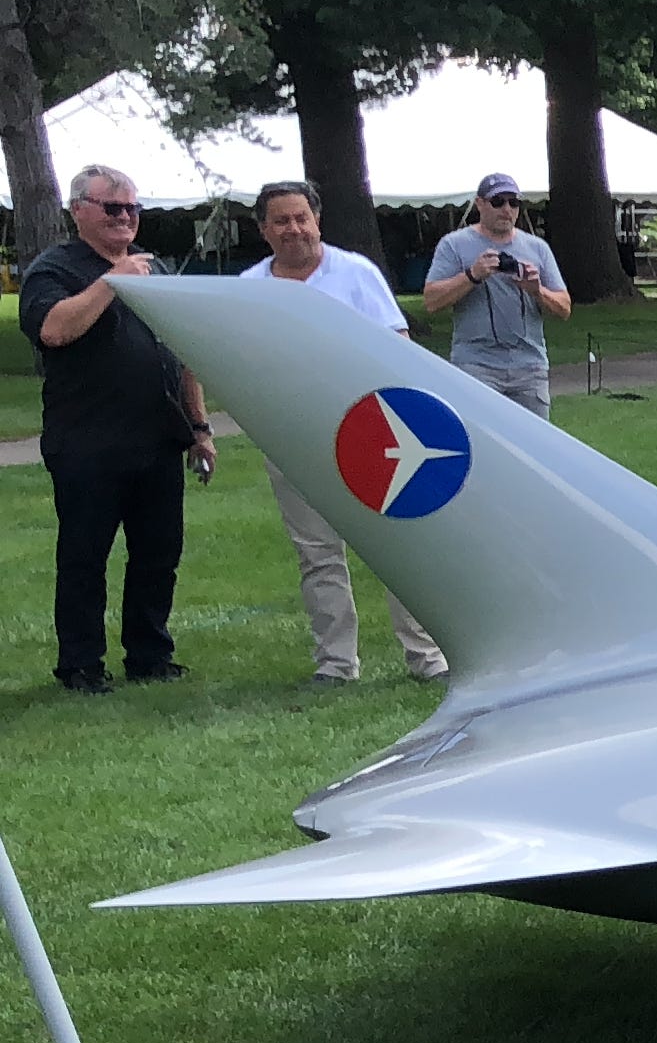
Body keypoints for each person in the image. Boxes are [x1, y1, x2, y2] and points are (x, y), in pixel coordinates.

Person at [240, 181, 447, 685]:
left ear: (317, 220)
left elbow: (397, 347)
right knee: (317, 553)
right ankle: (336, 664)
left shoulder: (355, 273)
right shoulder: (249, 287)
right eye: (281, 221)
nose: (293, 230)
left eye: (300, 218)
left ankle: (428, 658)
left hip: (371, 429)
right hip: (292, 435)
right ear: (264, 230)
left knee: (398, 545)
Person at [20, 165, 212, 693]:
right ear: (79, 210)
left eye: (132, 208)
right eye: (113, 208)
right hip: (87, 442)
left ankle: (150, 654)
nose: (125, 218)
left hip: (157, 438)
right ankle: (80, 664)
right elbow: (55, 331)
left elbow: (184, 351)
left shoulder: (157, 270)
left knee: (158, 554)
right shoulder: (53, 270)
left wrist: (199, 426)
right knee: (85, 556)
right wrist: (111, 282)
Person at [420, 172, 572, 418]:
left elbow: (565, 308)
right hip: (475, 366)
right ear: (480, 204)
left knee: (532, 446)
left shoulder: (537, 248)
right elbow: (431, 301)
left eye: (514, 202)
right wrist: (472, 275)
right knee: (480, 445)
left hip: (529, 367)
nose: (507, 209)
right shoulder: (454, 245)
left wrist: (537, 291)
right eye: (498, 201)